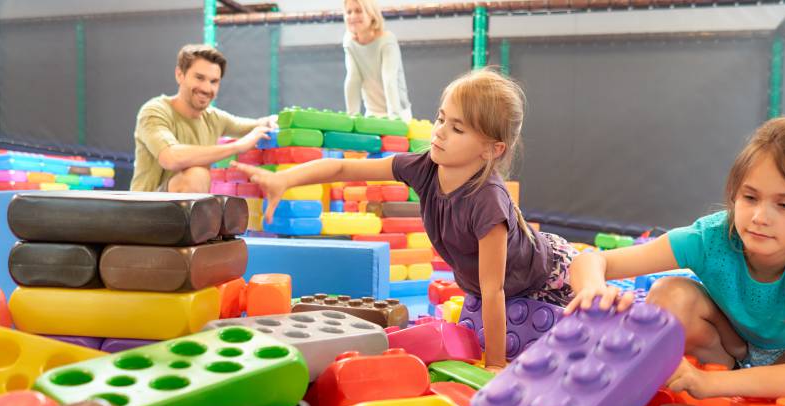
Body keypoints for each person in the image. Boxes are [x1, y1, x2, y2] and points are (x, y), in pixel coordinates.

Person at [233, 69, 577, 370]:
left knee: (600, 275)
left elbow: (493, 290)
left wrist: (496, 364)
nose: (440, 132)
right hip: (511, 280)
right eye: (441, 119)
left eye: (457, 128)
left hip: (551, 276)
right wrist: (284, 179)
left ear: (492, 149)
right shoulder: (424, 166)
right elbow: (342, 167)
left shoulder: (487, 202)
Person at [567, 116, 785, 406]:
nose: (759, 217)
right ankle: (730, 367)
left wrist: (708, 383)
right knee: (669, 294)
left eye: (784, 205)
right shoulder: (712, 237)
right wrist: (593, 291)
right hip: (729, 345)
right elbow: (591, 260)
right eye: (750, 197)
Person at [131, 44, 274, 193]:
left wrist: (272, 121)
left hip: (185, 209)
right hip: (144, 209)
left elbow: (254, 125)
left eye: (214, 82)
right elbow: (171, 157)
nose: (206, 88)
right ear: (180, 75)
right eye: (199, 78)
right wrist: (236, 147)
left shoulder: (214, 118)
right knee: (197, 176)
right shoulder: (154, 111)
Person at [343, 0, 413, 121]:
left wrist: (395, 117)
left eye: (358, 11)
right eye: (349, 12)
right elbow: (353, 79)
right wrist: (352, 117)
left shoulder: (387, 41)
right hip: (372, 112)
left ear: (372, 15)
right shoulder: (349, 42)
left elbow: (389, 79)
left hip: (398, 111)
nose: (353, 16)